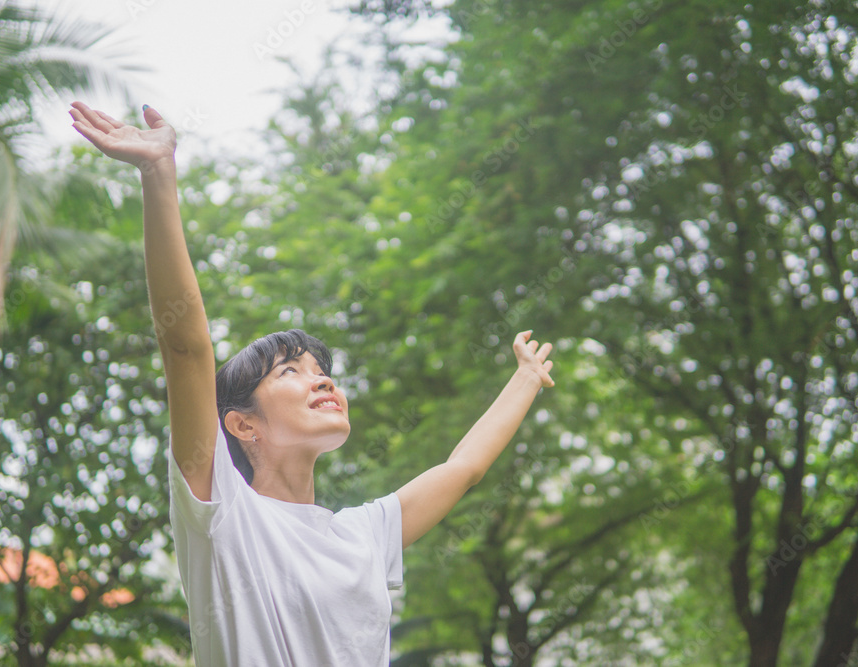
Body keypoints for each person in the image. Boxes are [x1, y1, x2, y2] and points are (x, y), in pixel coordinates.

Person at [68, 101, 555, 667]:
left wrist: (526, 378)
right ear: (242, 424)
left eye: (322, 370)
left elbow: (463, 469)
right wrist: (158, 172)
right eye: (290, 371)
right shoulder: (221, 510)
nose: (321, 379)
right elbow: (186, 349)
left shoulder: (362, 534)